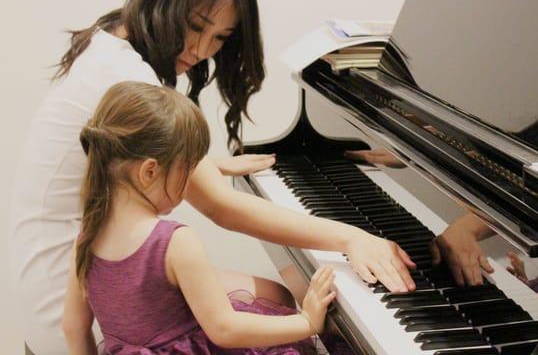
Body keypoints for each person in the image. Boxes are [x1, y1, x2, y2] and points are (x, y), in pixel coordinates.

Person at [9, 0, 415, 353]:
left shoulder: (109, 40)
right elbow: (221, 209)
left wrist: (207, 166)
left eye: (221, 37)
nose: (203, 49)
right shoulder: (127, 74)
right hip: (77, 288)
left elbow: (118, 156)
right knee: (278, 304)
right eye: (195, 27)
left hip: (79, 261)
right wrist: (350, 235)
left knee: (276, 294)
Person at [62, 81, 336, 354]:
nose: (190, 180)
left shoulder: (86, 240)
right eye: (187, 168)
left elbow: (73, 328)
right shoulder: (173, 242)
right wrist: (307, 321)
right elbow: (224, 328)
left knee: (274, 295)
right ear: (149, 172)